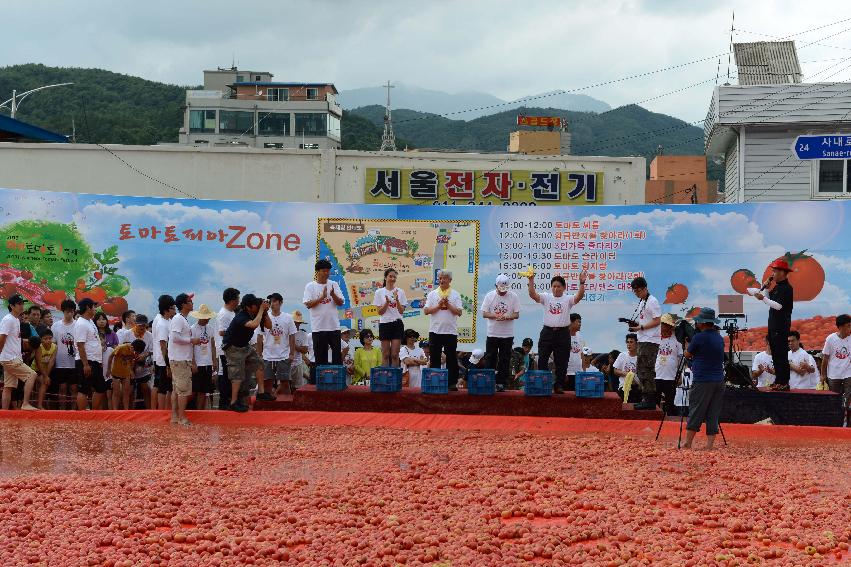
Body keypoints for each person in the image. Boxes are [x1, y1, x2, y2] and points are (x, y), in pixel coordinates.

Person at [527, 271, 587, 394]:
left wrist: (581, 283)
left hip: (563, 333)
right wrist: (531, 280)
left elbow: (579, 296)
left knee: (562, 361)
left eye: (558, 286)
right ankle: (544, 383)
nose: (556, 289)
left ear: (564, 287)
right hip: (547, 332)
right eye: (554, 286)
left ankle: (558, 385)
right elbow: (533, 295)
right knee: (542, 359)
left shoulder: (568, 299)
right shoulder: (546, 297)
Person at [683, 308, 726, 450]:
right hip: (719, 380)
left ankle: (688, 442)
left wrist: (686, 347)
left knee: (696, 410)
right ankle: (709, 445)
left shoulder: (699, 337)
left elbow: (688, 355)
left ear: (702, 323)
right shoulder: (719, 338)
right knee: (713, 412)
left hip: (703, 379)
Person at [752, 259, 794, 391]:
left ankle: (784, 381)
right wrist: (766, 289)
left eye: (775, 271)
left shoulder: (787, 288)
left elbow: (779, 306)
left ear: (782, 272)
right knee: (775, 354)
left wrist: (763, 298)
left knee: (781, 355)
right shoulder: (777, 287)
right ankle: (778, 380)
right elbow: (769, 301)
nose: (773, 273)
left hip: (781, 326)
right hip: (773, 325)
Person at [223, 294, 268, 412]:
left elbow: (269, 325)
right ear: (248, 307)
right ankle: (233, 402)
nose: (258, 307)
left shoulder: (255, 313)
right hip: (233, 347)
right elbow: (254, 324)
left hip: (244, 346)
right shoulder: (241, 316)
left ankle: (261, 393)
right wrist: (262, 310)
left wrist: (265, 312)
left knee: (259, 364)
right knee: (237, 375)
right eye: (256, 305)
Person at [424, 269, 463, 391]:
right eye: (440, 278)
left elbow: (459, 312)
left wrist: (448, 304)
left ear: (450, 280)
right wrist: (439, 305)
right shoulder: (432, 294)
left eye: (444, 278)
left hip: (450, 331)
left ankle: (452, 383)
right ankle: (435, 382)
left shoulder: (455, 294)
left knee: (451, 357)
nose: (441, 280)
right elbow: (426, 311)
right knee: (435, 357)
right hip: (435, 331)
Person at [627, 276, 662, 410]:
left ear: (645, 288)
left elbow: (657, 320)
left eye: (638, 291)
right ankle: (646, 398)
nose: (637, 293)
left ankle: (650, 399)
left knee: (646, 370)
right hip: (643, 339)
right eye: (635, 291)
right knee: (641, 370)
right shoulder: (643, 301)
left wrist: (641, 327)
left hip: (651, 340)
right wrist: (636, 325)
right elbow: (645, 321)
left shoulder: (653, 301)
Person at [481, 273, 520, 392]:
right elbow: (484, 313)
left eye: (505, 289)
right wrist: (495, 315)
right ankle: (489, 381)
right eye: (501, 289)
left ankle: (501, 383)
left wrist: (507, 317)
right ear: (496, 286)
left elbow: (516, 314)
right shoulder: (489, 296)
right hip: (492, 333)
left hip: (507, 334)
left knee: (505, 359)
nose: (503, 292)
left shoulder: (513, 296)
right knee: (490, 357)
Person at [303, 260, 344, 367]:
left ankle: (337, 382)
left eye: (328, 271)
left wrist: (333, 295)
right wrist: (321, 297)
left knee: (336, 358)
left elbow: (340, 302)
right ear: (317, 271)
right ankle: (322, 383)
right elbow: (308, 304)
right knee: (320, 359)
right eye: (324, 271)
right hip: (318, 327)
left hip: (333, 327)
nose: (326, 273)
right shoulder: (310, 286)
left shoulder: (333, 284)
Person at [0, 295, 38, 410]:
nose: (22, 306)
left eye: (22, 303)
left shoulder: (16, 319)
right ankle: (25, 404)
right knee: (32, 375)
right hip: (10, 358)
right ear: (11, 306)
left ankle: (4, 413)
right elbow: (2, 338)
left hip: (11, 357)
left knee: (8, 387)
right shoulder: (8, 319)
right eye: (19, 304)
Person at [256, 293, 296, 398]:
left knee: (285, 383)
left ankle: (286, 406)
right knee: (267, 382)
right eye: (270, 302)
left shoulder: (288, 318)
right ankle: (268, 407)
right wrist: (259, 355)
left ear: (280, 302)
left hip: (283, 355)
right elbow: (259, 337)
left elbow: (292, 336)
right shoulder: (264, 317)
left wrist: (292, 353)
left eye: (274, 301)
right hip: (267, 356)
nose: (272, 304)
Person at [168, 293, 200, 425]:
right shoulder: (178, 319)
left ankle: (175, 417)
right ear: (183, 305)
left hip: (180, 358)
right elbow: (174, 338)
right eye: (189, 301)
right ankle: (182, 418)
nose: (192, 304)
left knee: (177, 390)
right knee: (182, 390)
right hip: (179, 359)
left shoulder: (182, 319)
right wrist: (191, 340)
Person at [74, 298, 105, 411]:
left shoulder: (90, 321)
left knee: (100, 388)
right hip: (86, 361)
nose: (95, 309)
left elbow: (94, 341)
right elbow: (80, 345)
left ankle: (93, 413)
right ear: (88, 308)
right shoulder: (81, 324)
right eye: (94, 306)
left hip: (95, 360)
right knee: (84, 389)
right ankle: (83, 415)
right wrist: (85, 364)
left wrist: (99, 361)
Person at [820, 314, 851, 424]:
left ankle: (848, 421)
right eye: (848, 326)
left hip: (848, 374)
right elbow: (825, 358)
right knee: (835, 399)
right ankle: (836, 421)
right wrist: (823, 375)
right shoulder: (830, 339)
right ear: (841, 327)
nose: (850, 328)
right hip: (834, 375)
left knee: (847, 398)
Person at [374, 267, 407, 367]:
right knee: (385, 354)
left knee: (394, 355)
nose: (392, 279)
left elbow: (401, 311)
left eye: (394, 277)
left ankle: (395, 379)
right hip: (385, 324)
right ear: (385, 277)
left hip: (397, 324)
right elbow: (380, 312)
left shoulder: (400, 292)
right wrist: (387, 303)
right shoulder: (379, 292)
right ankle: (385, 378)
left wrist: (397, 300)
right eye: (390, 276)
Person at [188, 304, 217, 410]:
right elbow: (190, 347)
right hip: (198, 364)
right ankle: (181, 408)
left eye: (208, 317)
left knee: (204, 391)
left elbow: (212, 345)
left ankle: (200, 412)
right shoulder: (193, 329)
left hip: (208, 363)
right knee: (193, 390)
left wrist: (214, 361)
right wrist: (193, 362)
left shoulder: (210, 328)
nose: (207, 319)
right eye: (205, 317)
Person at [51, 299, 78, 410]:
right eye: (67, 311)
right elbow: (53, 345)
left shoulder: (78, 325)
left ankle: (73, 410)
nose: (69, 313)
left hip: (74, 363)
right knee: (62, 388)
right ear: (63, 311)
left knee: (74, 388)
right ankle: (62, 410)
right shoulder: (56, 326)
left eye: (72, 311)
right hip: (60, 363)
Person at [216, 287, 240, 410]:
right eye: (237, 299)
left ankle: (229, 400)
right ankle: (224, 402)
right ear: (232, 300)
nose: (239, 301)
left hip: (232, 349)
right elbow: (221, 332)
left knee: (231, 376)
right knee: (226, 376)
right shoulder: (224, 314)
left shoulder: (231, 312)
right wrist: (238, 333)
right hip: (226, 349)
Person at [655, 313, 683, 414]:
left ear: (670, 326)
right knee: (655, 401)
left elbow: (680, 359)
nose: (663, 326)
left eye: (665, 324)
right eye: (662, 324)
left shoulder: (677, 341)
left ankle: (670, 424)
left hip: (671, 376)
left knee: (670, 403)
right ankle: (655, 421)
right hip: (657, 375)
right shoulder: (655, 339)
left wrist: (679, 375)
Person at [152, 295, 176, 411]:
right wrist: (167, 365)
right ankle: (161, 412)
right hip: (163, 362)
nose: (174, 310)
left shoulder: (169, 321)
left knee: (169, 388)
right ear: (166, 309)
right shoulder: (161, 324)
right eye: (173, 308)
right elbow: (163, 346)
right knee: (162, 388)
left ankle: (167, 411)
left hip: (169, 360)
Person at [126, 314, 154, 409]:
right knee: (130, 391)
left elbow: (152, 350)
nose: (142, 327)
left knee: (146, 389)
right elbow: (122, 349)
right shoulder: (128, 334)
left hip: (143, 367)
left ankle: (150, 412)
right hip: (129, 367)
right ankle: (129, 412)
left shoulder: (149, 335)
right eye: (139, 325)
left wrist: (144, 355)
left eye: (143, 325)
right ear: (135, 324)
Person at [109, 339, 145, 410]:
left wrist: (131, 371)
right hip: (116, 371)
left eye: (138, 353)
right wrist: (108, 369)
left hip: (126, 373)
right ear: (132, 347)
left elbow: (131, 362)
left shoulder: (135, 353)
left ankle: (126, 410)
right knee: (116, 392)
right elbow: (110, 356)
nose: (135, 353)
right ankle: (115, 410)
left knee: (126, 392)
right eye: (135, 352)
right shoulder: (121, 348)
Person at [31, 329, 56, 409]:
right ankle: (35, 404)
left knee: (45, 382)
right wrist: (45, 376)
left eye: (50, 338)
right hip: (35, 370)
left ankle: (39, 405)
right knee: (42, 383)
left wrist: (46, 376)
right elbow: (39, 363)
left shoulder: (55, 347)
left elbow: (51, 362)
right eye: (45, 339)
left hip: (45, 371)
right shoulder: (39, 347)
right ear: (41, 339)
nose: (48, 340)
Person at [613, 334, 639, 402]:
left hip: (637, 387)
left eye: (631, 342)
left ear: (637, 344)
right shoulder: (622, 355)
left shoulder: (640, 357)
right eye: (627, 342)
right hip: (623, 387)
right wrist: (628, 374)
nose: (629, 344)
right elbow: (615, 371)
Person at [565, 313, 587, 391]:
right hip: (567, 373)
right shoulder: (563, 336)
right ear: (571, 322)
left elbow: (582, 355)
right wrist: (563, 372)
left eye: (580, 322)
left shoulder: (579, 336)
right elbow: (557, 355)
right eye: (578, 322)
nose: (580, 324)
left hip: (579, 374)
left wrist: (584, 372)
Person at [290, 310, 310, 390]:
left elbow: (305, 350)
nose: (296, 324)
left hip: (297, 364)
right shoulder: (285, 333)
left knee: (297, 388)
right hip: (285, 363)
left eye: (298, 322)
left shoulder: (303, 334)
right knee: (284, 385)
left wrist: (293, 345)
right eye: (295, 322)